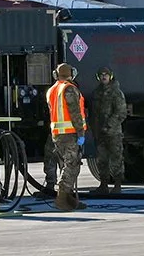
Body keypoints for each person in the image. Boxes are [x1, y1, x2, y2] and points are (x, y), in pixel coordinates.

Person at [45, 62, 87, 211]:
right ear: (71, 74)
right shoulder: (69, 89)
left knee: (65, 165)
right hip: (70, 134)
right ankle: (61, 198)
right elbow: (75, 114)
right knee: (71, 166)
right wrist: (81, 133)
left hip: (57, 134)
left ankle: (68, 198)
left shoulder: (52, 90)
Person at [89, 65, 129, 197]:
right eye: (101, 75)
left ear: (110, 76)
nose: (104, 76)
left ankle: (117, 184)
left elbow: (121, 112)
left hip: (113, 133)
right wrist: (94, 129)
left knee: (116, 158)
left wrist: (109, 125)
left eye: (106, 74)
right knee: (101, 159)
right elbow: (93, 113)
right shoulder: (96, 93)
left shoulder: (116, 93)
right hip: (99, 133)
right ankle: (104, 185)